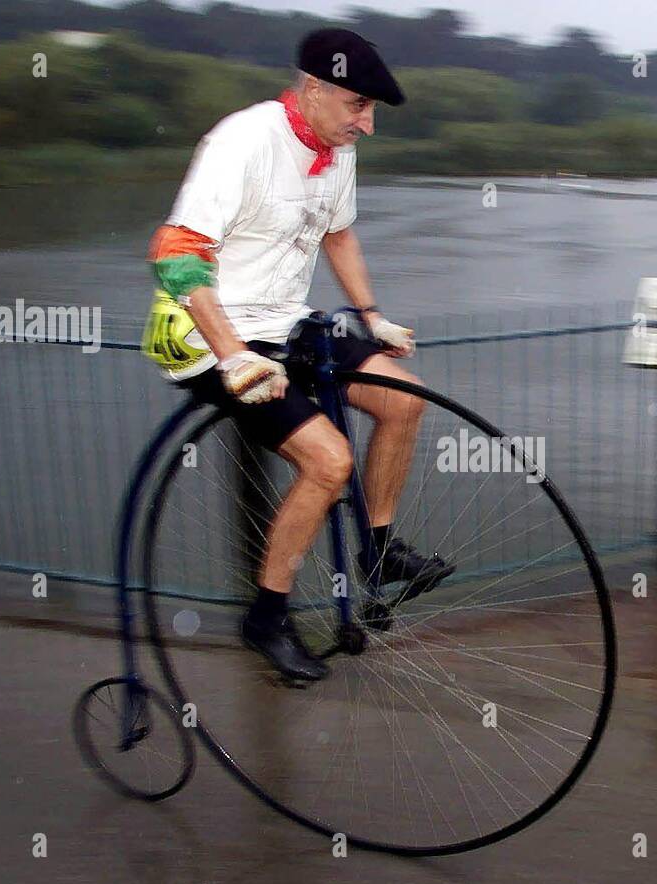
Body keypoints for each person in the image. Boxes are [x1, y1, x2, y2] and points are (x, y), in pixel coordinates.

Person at [143, 28, 452, 684]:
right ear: (312, 90)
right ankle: (268, 616)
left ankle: (377, 549)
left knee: (403, 399)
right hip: (212, 334)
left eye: (370, 111)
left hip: (284, 324)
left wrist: (372, 317)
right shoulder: (244, 142)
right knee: (328, 461)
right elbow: (174, 251)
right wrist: (232, 356)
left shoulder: (336, 149)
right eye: (357, 107)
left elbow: (337, 233)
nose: (366, 126)